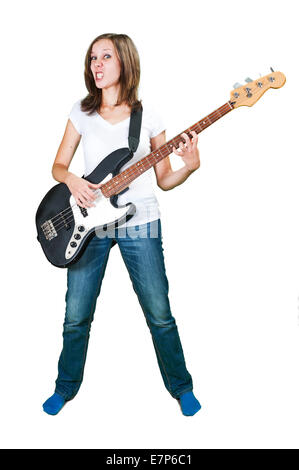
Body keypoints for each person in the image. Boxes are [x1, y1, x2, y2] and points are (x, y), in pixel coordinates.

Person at [42, 33, 201, 416]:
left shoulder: (149, 117)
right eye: (92, 58)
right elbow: (58, 166)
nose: (96, 64)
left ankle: (181, 388)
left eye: (105, 56)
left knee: (159, 313)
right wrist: (73, 181)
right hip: (88, 223)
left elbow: (163, 179)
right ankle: (65, 388)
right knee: (76, 314)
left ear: (124, 62)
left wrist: (189, 167)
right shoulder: (82, 112)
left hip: (140, 220)